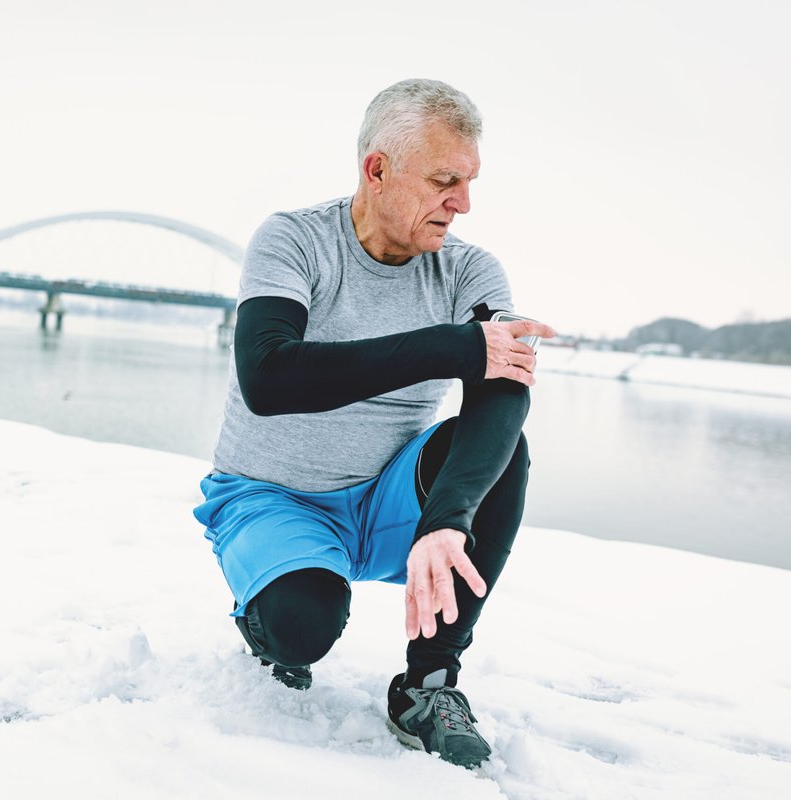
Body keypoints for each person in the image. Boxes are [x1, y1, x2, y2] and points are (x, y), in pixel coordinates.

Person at [192, 78, 555, 768]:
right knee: (302, 629)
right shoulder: (293, 239)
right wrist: (451, 347)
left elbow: (502, 391)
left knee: (504, 447)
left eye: (470, 182)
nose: (463, 203)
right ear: (378, 169)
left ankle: (429, 684)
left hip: (389, 498)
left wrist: (448, 516)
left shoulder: (472, 271)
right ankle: (265, 614)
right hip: (272, 496)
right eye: (445, 180)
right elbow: (269, 379)